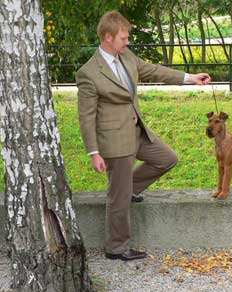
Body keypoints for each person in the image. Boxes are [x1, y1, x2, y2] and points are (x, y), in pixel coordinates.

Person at [76, 10, 211, 261]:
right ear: (107, 37)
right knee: (118, 198)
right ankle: (116, 248)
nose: (127, 42)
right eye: (123, 38)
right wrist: (93, 152)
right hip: (114, 141)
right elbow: (86, 116)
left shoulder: (125, 56)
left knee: (167, 158)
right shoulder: (89, 73)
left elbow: (152, 70)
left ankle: (130, 189)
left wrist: (190, 78)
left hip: (137, 131)